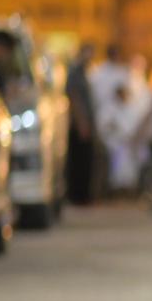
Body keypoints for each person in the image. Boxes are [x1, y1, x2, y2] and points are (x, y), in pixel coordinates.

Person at [64, 43, 97, 205]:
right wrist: (81, 122)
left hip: (86, 122)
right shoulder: (75, 72)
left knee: (86, 161)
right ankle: (77, 196)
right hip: (79, 125)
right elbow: (74, 97)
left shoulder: (85, 72)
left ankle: (83, 195)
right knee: (79, 161)